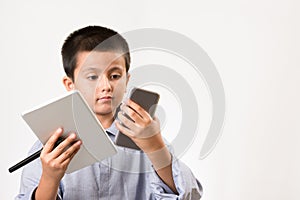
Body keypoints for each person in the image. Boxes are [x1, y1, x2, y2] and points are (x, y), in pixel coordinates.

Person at [16, 25, 203, 199]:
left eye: (114, 76)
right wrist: (50, 178)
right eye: (92, 77)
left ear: (127, 79)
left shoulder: (148, 140)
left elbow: (190, 195)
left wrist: (156, 148)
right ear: (70, 84)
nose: (105, 86)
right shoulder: (49, 148)